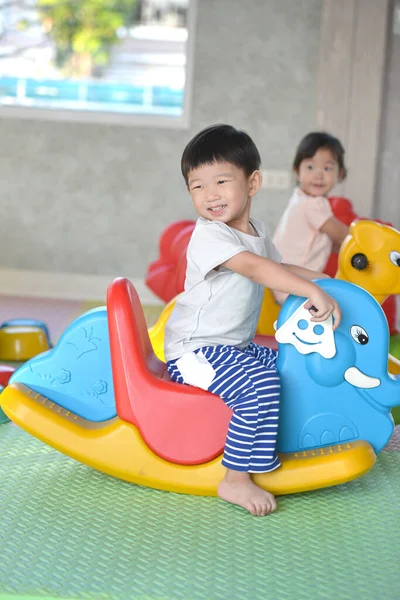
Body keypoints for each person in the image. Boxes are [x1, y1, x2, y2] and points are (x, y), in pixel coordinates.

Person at [164, 124, 341, 517]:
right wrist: (310, 291)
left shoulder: (257, 232)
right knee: (258, 384)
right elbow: (257, 270)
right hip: (196, 352)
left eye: (222, 181)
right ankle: (236, 478)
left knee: (285, 363)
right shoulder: (210, 236)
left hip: (232, 347)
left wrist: (322, 280)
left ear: (253, 182)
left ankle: (275, 446)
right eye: (197, 186)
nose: (210, 195)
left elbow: (278, 264)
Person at [273, 131, 349, 303]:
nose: (319, 174)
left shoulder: (299, 198)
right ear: (297, 171)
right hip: (292, 287)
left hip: (279, 281)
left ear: (340, 174)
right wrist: (364, 242)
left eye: (327, 168)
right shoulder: (313, 204)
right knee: (339, 301)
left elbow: (327, 242)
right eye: (310, 167)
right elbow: (344, 236)